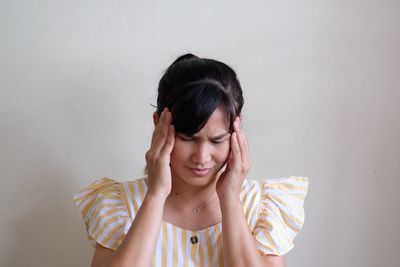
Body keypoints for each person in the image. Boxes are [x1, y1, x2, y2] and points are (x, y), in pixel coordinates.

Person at [73, 54, 309, 267]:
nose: (202, 157)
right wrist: (156, 194)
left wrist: (230, 199)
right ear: (159, 124)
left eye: (217, 140)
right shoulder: (120, 206)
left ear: (237, 130)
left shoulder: (262, 206)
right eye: (188, 138)